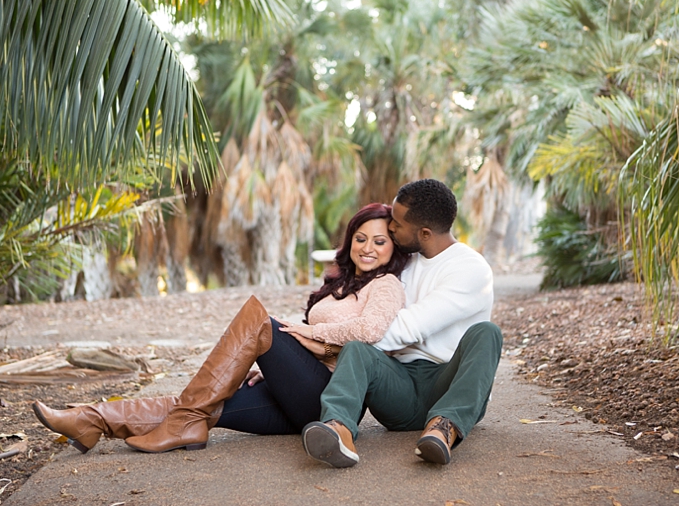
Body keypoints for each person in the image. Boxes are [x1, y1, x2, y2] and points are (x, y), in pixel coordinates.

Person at [32, 203, 409, 454]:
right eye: (361, 238)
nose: (368, 248)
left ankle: (175, 425)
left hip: (332, 401)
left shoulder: (386, 286)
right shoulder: (337, 284)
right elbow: (306, 343)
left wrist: (303, 334)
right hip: (299, 394)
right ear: (350, 240)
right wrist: (277, 369)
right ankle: (90, 420)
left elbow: (370, 330)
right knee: (201, 406)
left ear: (394, 247)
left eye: (379, 241)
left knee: (260, 320)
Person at [301, 179, 502, 467]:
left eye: (396, 223)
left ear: (424, 233)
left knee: (487, 333)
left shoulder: (471, 270)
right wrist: (298, 351)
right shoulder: (402, 261)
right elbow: (356, 317)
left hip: (448, 383)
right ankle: (338, 430)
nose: (390, 227)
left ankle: (443, 428)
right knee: (358, 348)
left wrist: (325, 343)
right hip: (399, 387)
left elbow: (408, 328)